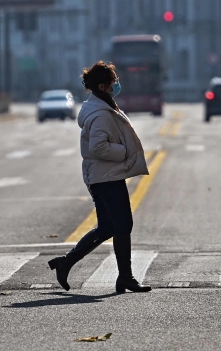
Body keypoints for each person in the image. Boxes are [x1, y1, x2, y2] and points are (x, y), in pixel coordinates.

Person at [48, 61, 151, 294]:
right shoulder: (101, 114)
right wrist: (124, 152)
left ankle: (65, 263)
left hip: (104, 176)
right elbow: (98, 147)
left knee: (107, 227)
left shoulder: (102, 106)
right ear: (103, 86)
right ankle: (126, 277)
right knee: (123, 225)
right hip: (105, 178)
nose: (117, 85)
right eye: (113, 82)